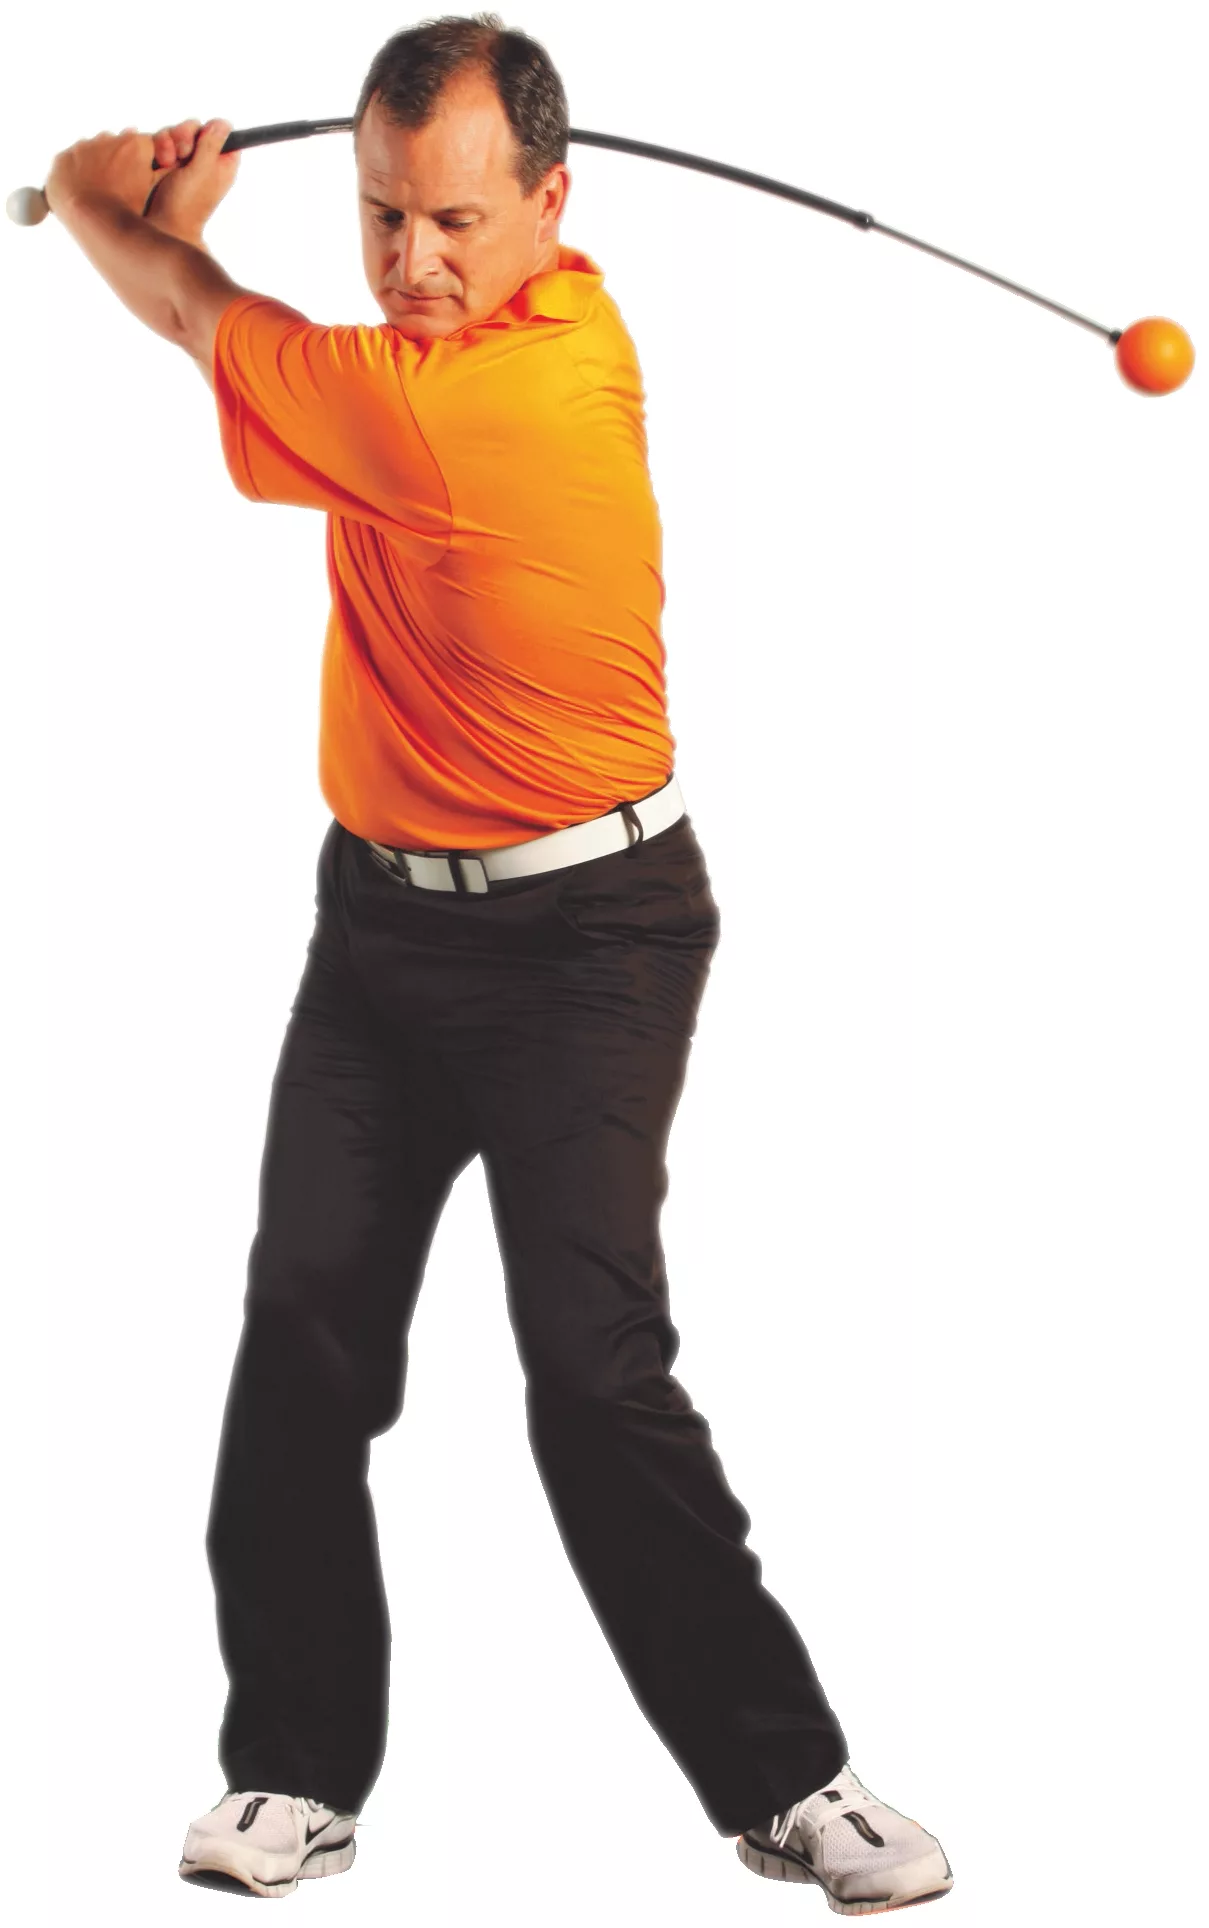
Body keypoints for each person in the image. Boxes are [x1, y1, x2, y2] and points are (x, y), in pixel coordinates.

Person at [45, 13, 952, 1913]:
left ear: (554, 204)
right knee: (306, 1324)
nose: (413, 262)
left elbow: (190, 309)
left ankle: (793, 1783)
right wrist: (180, 231)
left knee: (590, 1369)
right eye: (381, 215)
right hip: (378, 926)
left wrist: (93, 194)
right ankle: (293, 1774)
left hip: (588, 944)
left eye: (457, 222)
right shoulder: (488, 337)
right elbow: (245, 320)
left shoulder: (496, 399)